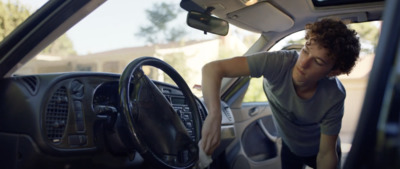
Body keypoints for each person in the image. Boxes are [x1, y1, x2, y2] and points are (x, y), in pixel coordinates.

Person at [200, 18, 360, 169]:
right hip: (289, 147)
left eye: (318, 62)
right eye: (305, 50)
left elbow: (326, 153)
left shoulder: (334, 95)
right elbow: (212, 70)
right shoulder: (279, 63)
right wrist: (214, 115)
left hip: (319, 150)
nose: (303, 63)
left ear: (333, 72)